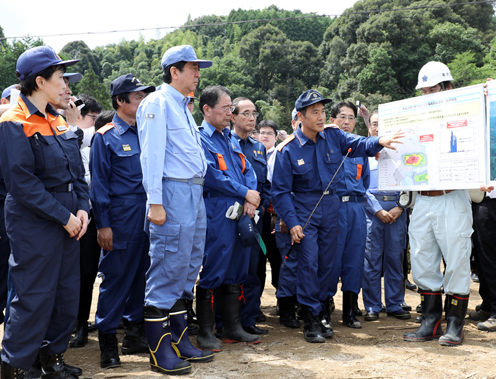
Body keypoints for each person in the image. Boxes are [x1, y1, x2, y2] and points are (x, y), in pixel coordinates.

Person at [272, 89, 403, 343]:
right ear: (300, 116)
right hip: (305, 211)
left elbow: (357, 144)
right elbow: (281, 192)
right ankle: (310, 318)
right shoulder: (286, 150)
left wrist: (379, 141)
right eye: (315, 112)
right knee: (309, 264)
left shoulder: (332, 136)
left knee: (327, 265)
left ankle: (322, 312)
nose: (321, 117)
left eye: (322, 111)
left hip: (331, 208)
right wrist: (293, 221)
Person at [0, 45, 89, 379]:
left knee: (65, 292)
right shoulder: (13, 121)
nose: (65, 83)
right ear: (40, 81)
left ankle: (51, 357)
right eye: (59, 77)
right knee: (33, 293)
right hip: (35, 219)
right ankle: (17, 366)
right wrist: (64, 217)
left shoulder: (57, 120)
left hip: (68, 217)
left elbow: (76, 173)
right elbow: (22, 183)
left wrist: (81, 209)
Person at [137, 44, 214, 376]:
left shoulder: (183, 105)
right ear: (174, 71)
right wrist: (155, 201)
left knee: (187, 265)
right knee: (168, 266)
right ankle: (158, 350)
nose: (198, 73)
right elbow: (152, 155)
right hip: (171, 190)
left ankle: (180, 338)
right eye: (193, 67)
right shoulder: (157, 102)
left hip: (193, 191)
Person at [403, 61, 475, 346]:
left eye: (431, 89)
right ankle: (430, 321)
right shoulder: (414, 121)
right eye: (423, 91)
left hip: (451, 197)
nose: (426, 96)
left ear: (447, 87)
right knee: (421, 259)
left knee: (457, 260)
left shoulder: (466, 117)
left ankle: (455, 323)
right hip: (422, 199)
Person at [90, 74, 155, 368]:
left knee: (143, 277)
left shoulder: (148, 131)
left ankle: (134, 334)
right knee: (116, 279)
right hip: (121, 217)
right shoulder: (105, 137)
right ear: (120, 101)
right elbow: (99, 187)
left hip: (150, 216)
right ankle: (107, 343)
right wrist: (103, 224)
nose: (143, 101)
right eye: (138, 96)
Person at [196, 85, 261, 352]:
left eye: (230, 107)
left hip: (240, 211)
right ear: (207, 110)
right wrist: (244, 192)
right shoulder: (200, 138)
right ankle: (205, 332)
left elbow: (248, 170)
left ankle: (232, 327)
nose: (229, 112)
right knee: (214, 268)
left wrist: (249, 196)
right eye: (225, 108)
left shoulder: (231, 139)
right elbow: (211, 175)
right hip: (217, 211)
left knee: (237, 267)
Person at [362, 110, 410, 322]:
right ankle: (372, 305)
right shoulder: (363, 153)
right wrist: (377, 209)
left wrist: (400, 207)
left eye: (382, 124)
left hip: (397, 212)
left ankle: (395, 303)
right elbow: (358, 186)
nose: (377, 128)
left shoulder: (403, 153)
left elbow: (412, 182)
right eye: (374, 124)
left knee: (395, 258)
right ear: (370, 127)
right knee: (371, 260)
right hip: (372, 212)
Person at [231, 97, 270, 335]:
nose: (252, 117)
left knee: (254, 270)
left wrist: (261, 208)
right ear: (232, 116)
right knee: (231, 269)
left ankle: (248, 319)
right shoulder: (225, 143)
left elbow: (264, 185)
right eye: (245, 113)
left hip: (255, 218)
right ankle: (226, 321)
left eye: (254, 113)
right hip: (231, 216)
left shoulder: (259, 148)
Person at [70, 94, 103, 348]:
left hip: (90, 219)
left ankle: (81, 323)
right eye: (92, 117)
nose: (95, 123)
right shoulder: (64, 138)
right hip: (65, 219)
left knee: (87, 273)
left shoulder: (97, 142)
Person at [257, 120, 282, 311]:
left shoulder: (281, 155)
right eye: (262, 132)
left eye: (269, 133)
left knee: (278, 261)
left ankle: (283, 302)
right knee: (257, 261)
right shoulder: (253, 154)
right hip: (258, 216)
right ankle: (253, 306)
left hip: (277, 215)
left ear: (276, 137)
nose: (265, 136)